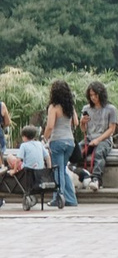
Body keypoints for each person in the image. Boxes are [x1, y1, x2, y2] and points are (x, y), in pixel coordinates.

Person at [43, 78, 78, 208]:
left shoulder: (54, 107)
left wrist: (44, 137)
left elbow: (50, 126)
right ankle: (71, 199)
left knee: (57, 171)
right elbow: (76, 122)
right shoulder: (70, 107)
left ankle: (58, 197)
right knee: (63, 170)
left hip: (57, 140)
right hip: (70, 141)